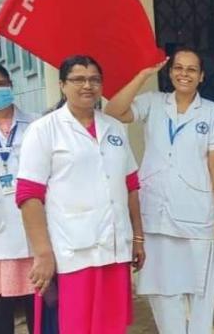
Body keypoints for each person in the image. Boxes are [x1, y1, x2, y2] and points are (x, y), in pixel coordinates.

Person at [105, 47, 214, 333]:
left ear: (201, 76)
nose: (184, 74)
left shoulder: (213, 112)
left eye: (191, 69)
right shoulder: (153, 102)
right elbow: (113, 111)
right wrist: (143, 74)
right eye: (178, 68)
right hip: (156, 211)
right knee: (162, 288)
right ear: (170, 72)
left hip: (197, 211)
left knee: (200, 286)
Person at [17, 55, 145, 334]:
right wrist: (43, 254)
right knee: (75, 325)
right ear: (62, 85)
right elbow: (29, 196)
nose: (87, 85)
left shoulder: (114, 129)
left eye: (94, 79)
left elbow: (131, 185)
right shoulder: (44, 130)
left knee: (111, 325)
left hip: (114, 249)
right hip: (72, 251)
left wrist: (137, 238)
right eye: (78, 79)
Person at [0, 62, 38, 334]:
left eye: (1, 84)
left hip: (35, 229)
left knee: (39, 306)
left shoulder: (37, 123)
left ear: (12, 87)